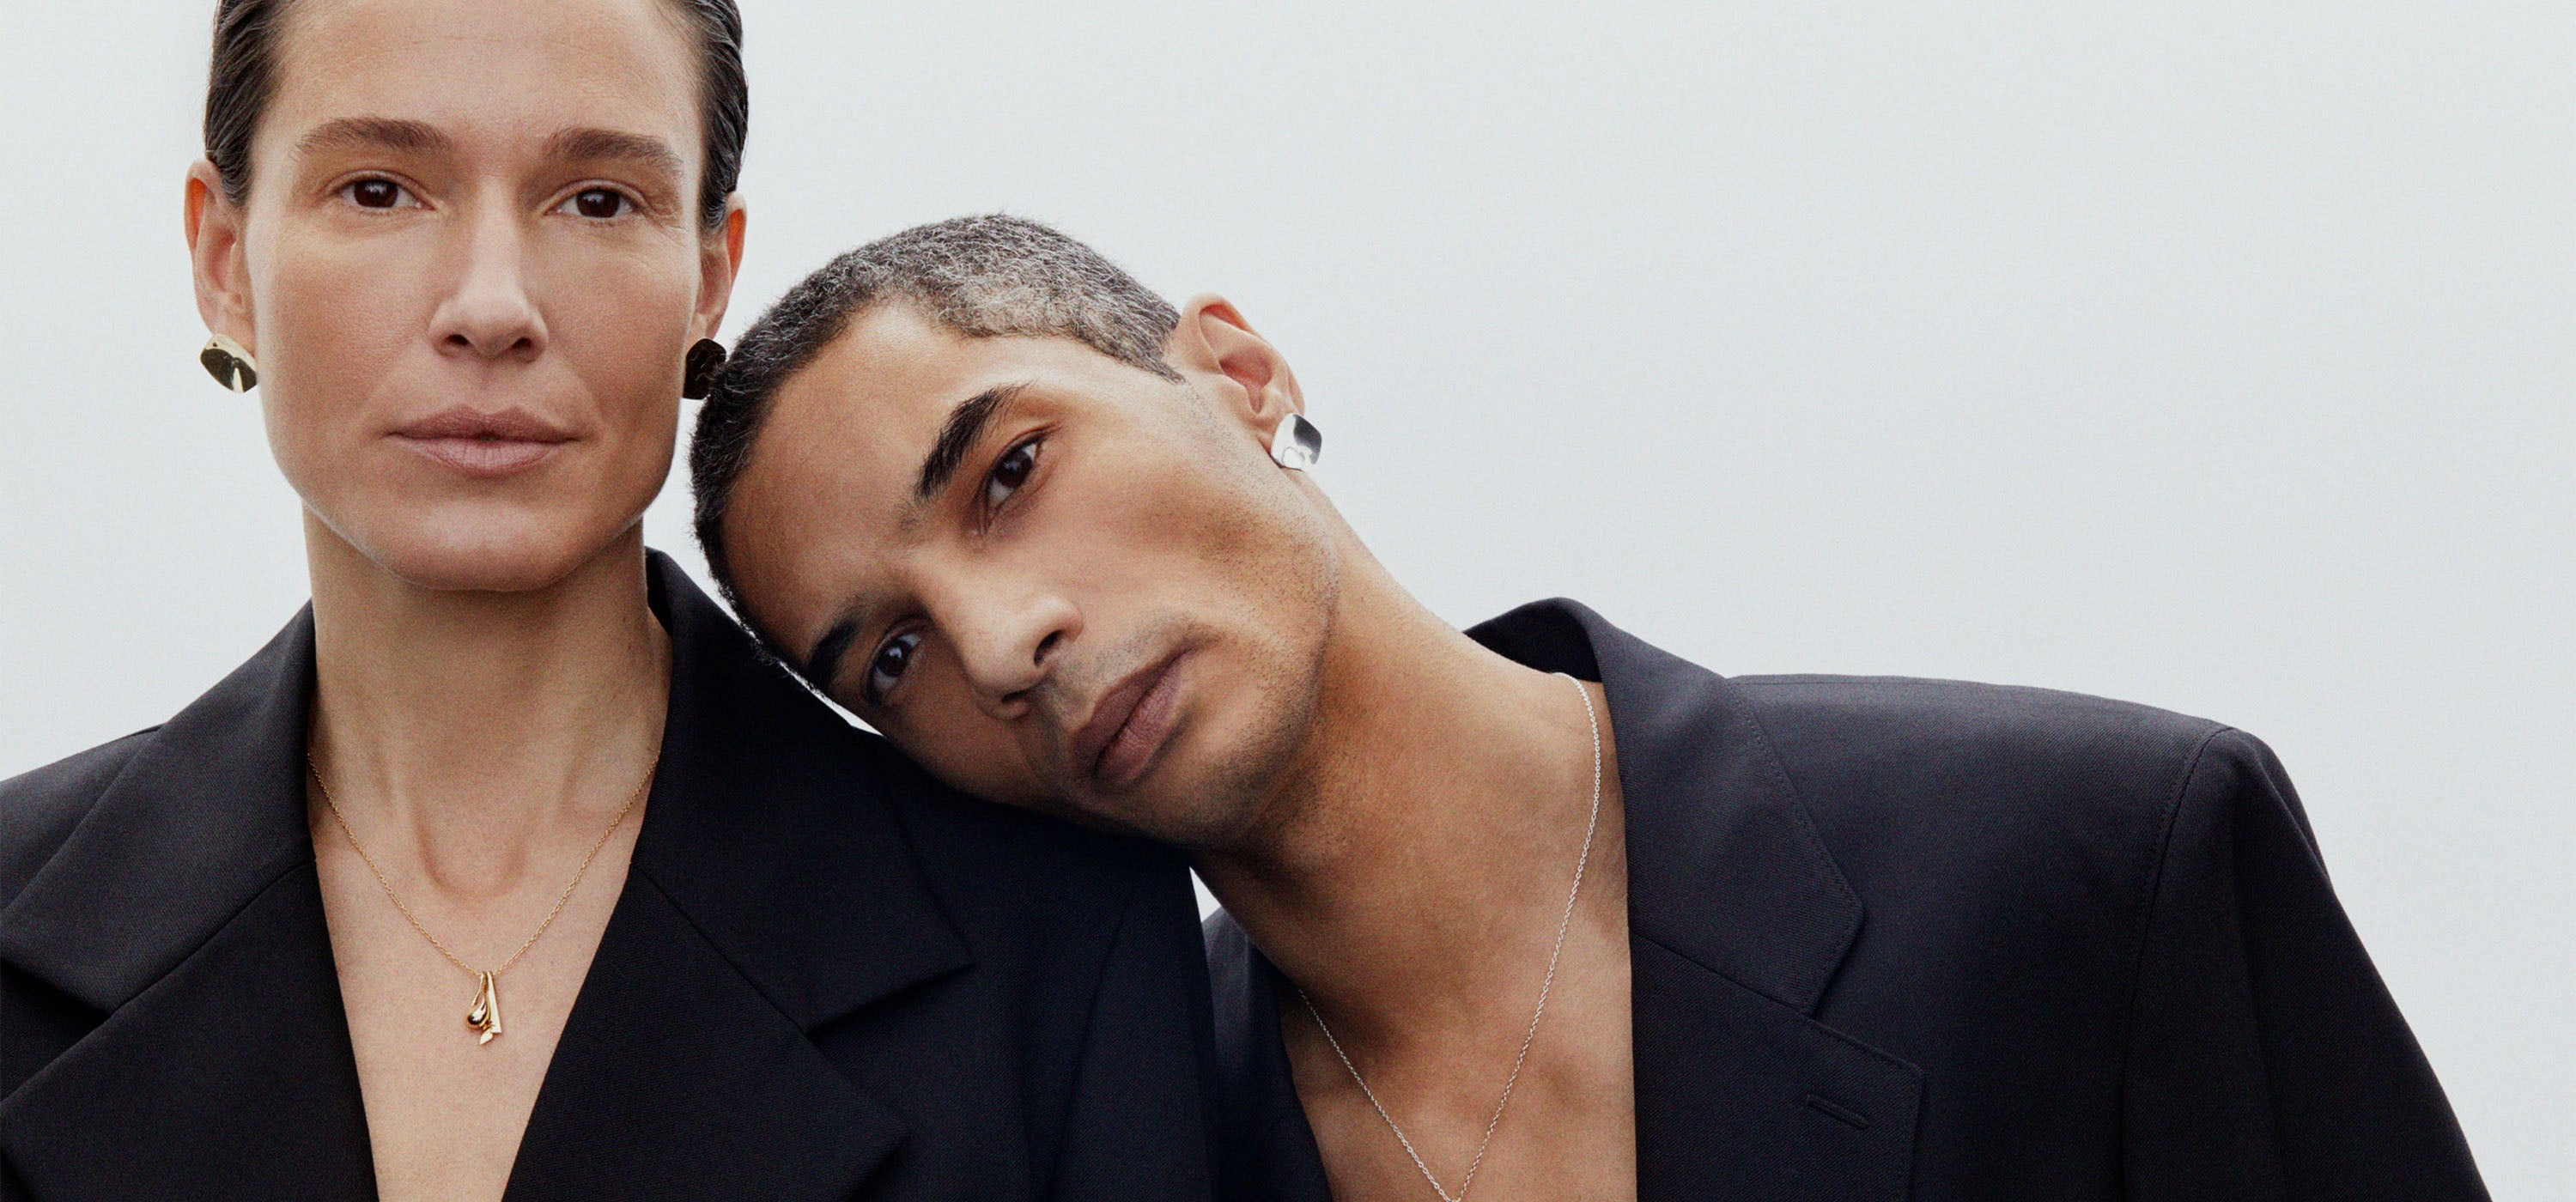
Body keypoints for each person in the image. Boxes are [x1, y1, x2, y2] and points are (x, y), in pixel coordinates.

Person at [686, 213, 2491, 1201]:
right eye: (889, 660)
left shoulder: (2095, 862)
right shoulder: (1122, 1156)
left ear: (1233, 369)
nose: (1002, 640)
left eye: (1008, 471)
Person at [0, 9, 1216, 1201]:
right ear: (224, 261)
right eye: (379, 191)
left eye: (597, 201)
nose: (492, 309)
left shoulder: (1060, 936)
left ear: (708, 278)